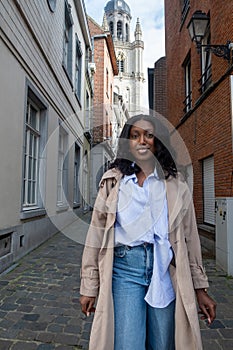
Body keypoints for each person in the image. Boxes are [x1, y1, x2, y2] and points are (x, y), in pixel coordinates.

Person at [80, 114, 216, 350]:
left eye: (148, 135)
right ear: (127, 143)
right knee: (128, 344)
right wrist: (89, 286)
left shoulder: (176, 184)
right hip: (124, 269)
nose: (142, 140)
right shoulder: (113, 182)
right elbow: (96, 236)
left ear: (157, 141)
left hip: (165, 270)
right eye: (135, 136)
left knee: (163, 344)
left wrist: (200, 288)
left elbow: (190, 237)